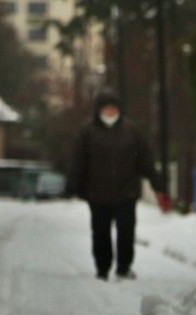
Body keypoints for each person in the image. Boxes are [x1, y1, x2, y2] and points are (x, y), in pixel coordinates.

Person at [67, 88, 171, 281]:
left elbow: (145, 161)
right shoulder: (88, 131)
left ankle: (124, 267)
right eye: (106, 108)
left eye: (113, 108)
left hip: (126, 192)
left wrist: (159, 186)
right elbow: (78, 161)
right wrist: (73, 185)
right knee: (100, 234)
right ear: (99, 110)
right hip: (97, 193)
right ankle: (102, 268)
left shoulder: (131, 131)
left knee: (126, 233)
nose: (110, 112)